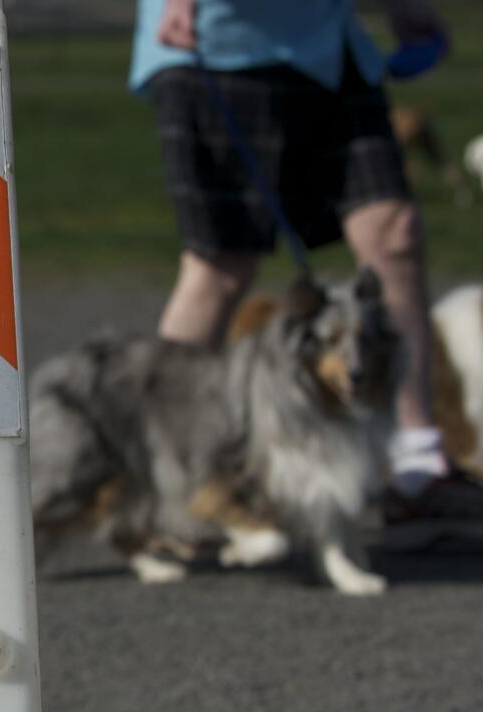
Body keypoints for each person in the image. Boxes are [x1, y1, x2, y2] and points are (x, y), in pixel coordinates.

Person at [131, 0, 483, 522]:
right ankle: (155, 479)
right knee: (221, 267)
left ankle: (417, 467)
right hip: (222, 40)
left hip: (328, 46)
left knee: (394, 231)